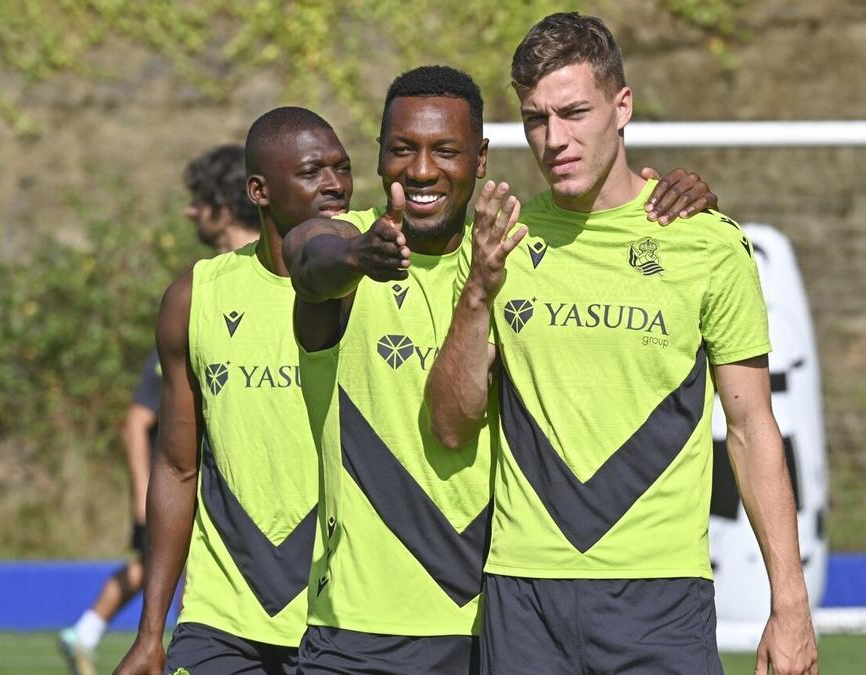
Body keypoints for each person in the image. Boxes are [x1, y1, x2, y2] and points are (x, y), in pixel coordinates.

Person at [282, 65, 718, 674]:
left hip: (491, 629)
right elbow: (306, 257)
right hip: (358, 637)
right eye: (402, 150)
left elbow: (610, 240)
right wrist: (358, 255)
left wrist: (676, 202)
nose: (423, 169)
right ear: (379, 159)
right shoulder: (349, 248)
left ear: (480, 159)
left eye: (446, 151)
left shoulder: (520, 254)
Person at [426, 13, 818, 675]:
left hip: (661, 597)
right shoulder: (498, 242)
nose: (555, 139)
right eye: (536, 119)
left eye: (574, 112)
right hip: (524, 597)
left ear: (622, 106)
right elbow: (451, 422)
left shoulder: (709, 246)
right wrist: (477, 289)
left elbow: (752, 426)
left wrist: (791, 603)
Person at [114, 107, 351, 675]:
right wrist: (151, 634)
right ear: (259, 190)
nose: (336, 184)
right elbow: (176, 468)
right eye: (314, 171)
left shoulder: (375, 270)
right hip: (222, 618)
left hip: (343, 613)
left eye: (343, 168)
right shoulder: (195, 298)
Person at [59, 145, 260, 675]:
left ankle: (86, 629)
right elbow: (147, 424)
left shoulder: (309, 284)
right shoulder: (193, 297)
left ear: (226, 204)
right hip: (219, 593)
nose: (189, 212)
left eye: (199, 201)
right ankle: (89, 629)